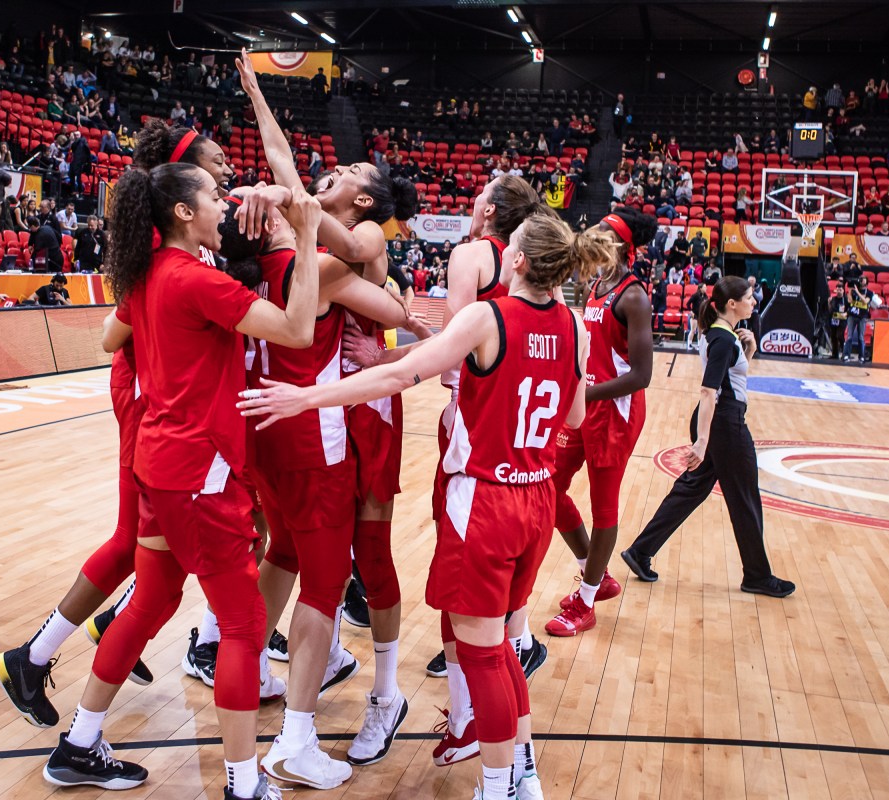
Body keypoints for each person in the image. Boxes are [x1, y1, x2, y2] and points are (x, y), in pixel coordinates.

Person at [239, 212, 603, 800]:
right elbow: (575, 417)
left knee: (481, 654)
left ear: (517, 261)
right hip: (539, 495)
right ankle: (523, 774)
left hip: (486, 497)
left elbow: (401, 374)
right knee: (504, 644)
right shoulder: (575, 327)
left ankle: (495, 785)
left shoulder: (487, 317)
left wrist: (307, 396)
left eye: (507, 245)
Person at [39, 166, 320, 800]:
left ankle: (79, 744)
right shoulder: (197, 280)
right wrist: (304, 238)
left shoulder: (145, 274)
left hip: (159, 465)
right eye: (216, 197)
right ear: (185, 213)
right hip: (199, 473)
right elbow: (298, 330)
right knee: (246, 628)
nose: (225, 205)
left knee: (150, 601)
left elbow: (112, 338)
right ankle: (244, 786)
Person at [235, 49, 420, 765]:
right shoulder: (313, 240)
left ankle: (385, 691)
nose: (331, 173)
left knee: (364, 553)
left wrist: (286, 201)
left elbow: (377, 293)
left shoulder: (368, 236)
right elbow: (284, 167)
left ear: (365, 200)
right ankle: (275, 659)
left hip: (361, 409)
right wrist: (258, 98)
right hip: (316, 396)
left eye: (347, 175)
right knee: (294, 547)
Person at [621, 276, 795, 598]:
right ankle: (757, 575)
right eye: (749, 297)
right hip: (724, 424)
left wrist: (750, 351)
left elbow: (729, 381)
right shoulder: (723, 340)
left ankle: (640, 551)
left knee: (690, 491)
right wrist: (702, 441)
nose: (754, 302)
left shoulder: (721, 334)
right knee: (744, 497)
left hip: (720, 421)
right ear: (732, 304)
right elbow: (708, 390)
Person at [546, 208, 656, 638]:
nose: (593, 235)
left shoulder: (634, 297)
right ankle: (595, 572)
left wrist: (582, 393)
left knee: (603, 506)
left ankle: (586, 601)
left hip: (616, 411)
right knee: (548, 484)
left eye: (604, 232)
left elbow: (641, 375)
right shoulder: (596, 285)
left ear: (621, 246)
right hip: (585, 404)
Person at [842, 276, 870, 362]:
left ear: (866, 282)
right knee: (849, 336)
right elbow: (850, 301)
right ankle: (846, 355)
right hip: (852, 315)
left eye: (864, 279)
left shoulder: (869, 292)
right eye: (861, 279)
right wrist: (850, 291)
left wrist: (857, 292)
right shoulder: (853, 292)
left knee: (861, 337)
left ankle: (861, 357)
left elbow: (865, 301)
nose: (861, 281)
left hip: (862, 317)